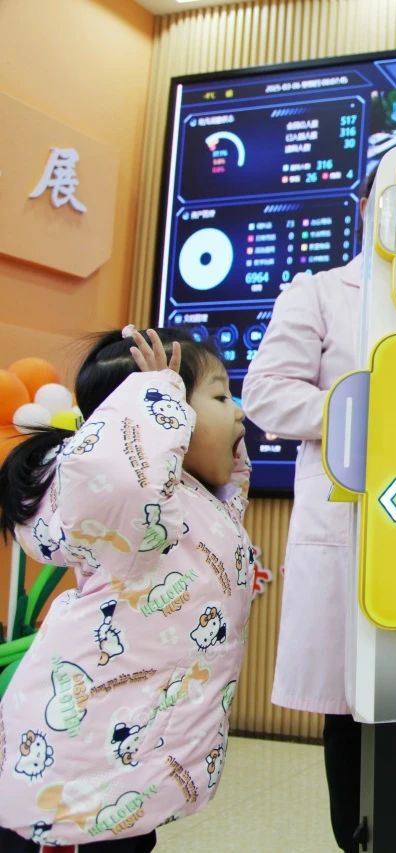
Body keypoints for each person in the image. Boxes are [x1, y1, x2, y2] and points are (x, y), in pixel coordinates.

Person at [0, 328, 254, 851]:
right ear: (158, 417)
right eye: (221, 396)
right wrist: (154, 395)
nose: (239, 412)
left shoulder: (191, 503)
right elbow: (123, 472)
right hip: (75, 775)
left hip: (130, 767)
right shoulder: (129, 504)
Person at [241, 175, 371, 853]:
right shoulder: (319, 291)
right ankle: (356, 839)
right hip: (351, 520)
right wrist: (363, 411)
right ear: (366, 206)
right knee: (351, 706)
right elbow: (265, 393)